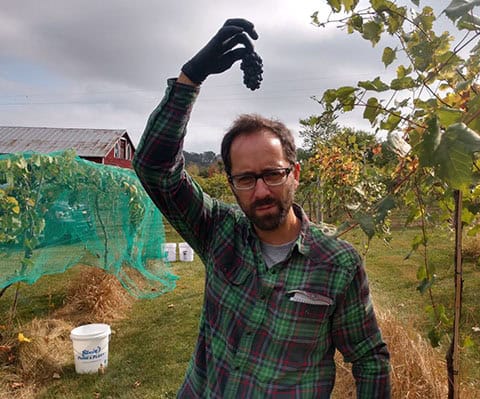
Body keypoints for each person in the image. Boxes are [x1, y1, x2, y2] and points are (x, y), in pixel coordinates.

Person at [133, 18, 390, 399]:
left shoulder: (338, 265)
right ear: (232, 181)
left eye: (272, 174)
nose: (261, 190)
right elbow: (154, 168)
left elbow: (369, 358)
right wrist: (190, 78)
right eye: (246, 178)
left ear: (295, 173)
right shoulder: (218, 231)